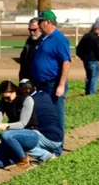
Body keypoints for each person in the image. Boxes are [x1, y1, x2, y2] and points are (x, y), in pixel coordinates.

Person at [0, 87, 63, 170]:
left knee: (6, 135)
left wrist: (7, 126)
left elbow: (22, 124)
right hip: (14, 134)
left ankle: (29, 159)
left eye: (8, 97)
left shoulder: (26, 100)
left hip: (31, 133)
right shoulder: (3, 102)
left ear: (15, 92)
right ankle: (17, 157)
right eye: (3, 97)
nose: (5, 100)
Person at [30, 10, 71, 143]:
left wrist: (61, 84)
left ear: (48, 22)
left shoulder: (59, 39)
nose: (39, 24)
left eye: (40, 22)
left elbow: (66, 61)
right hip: (41, 84)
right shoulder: (44, 39)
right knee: (43, 115)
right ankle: (46, 142)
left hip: (53, 84)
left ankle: (57, 145)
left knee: (56, 116)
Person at [76, 19, 99, 95]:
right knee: (94, 77)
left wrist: (82, 57)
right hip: (94, 60)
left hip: (86, 60)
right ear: (97, 29)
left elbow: (78, 48)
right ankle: (91, 93)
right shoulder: (96, 38)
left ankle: (87, 91)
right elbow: (98, 49)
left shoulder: (85, 36)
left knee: (88, 76)